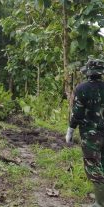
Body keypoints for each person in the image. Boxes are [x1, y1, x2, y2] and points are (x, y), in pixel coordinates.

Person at [66, 58, 104, 207]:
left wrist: (70, 129)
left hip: (91, 135)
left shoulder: (82, 89)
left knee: (94, 166)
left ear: (88, 72)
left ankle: (99, 203)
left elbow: (77, 113)